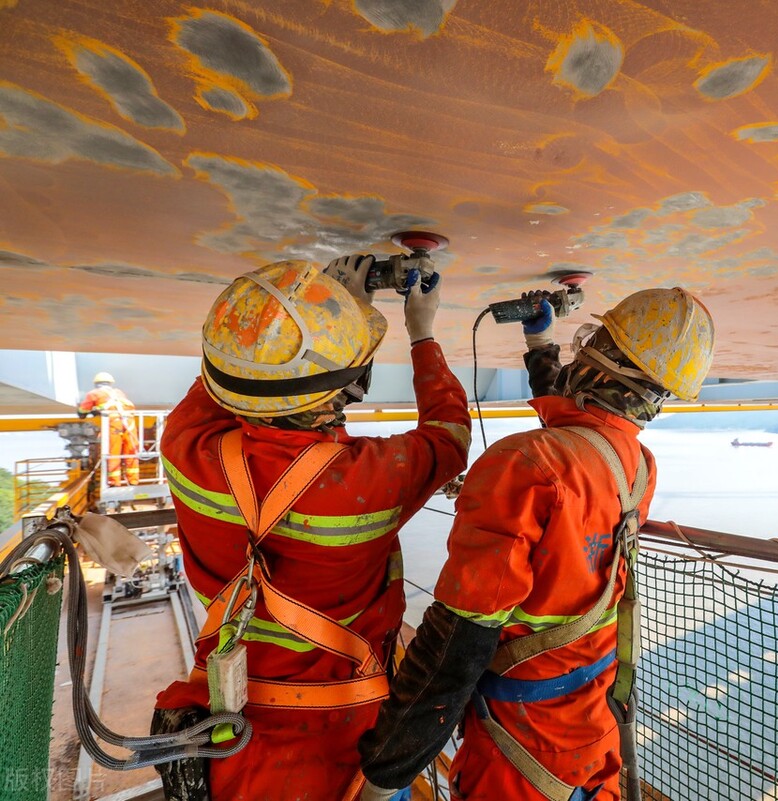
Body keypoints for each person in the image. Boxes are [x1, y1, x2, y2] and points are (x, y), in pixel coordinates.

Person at [357, 287, 715, 801]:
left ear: (602, 362)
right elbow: (580, 438)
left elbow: (458, 641)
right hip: (588, 732)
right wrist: (541, 346)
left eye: (590, 344)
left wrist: (386, 773)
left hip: (520, 753)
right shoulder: (636, 468)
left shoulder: (522, 465)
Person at [152, 256, 470, 801]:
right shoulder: (370, 479)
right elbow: (450, 436)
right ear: (354, 384)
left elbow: (231, 376)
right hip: (343, 745)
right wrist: (422, 332)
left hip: (232, 739)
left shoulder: (186, 448)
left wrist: (335, 319)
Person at [78, 371, 140, 486]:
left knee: (113, 453)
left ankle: (114, 482)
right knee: (131, 451)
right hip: (129, 422)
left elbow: (82, 411)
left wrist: (91, 411)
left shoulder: (94, 393)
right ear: (111, 383)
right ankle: (133, 480)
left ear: (96, 384)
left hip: (113, 424)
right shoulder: (118, 393)